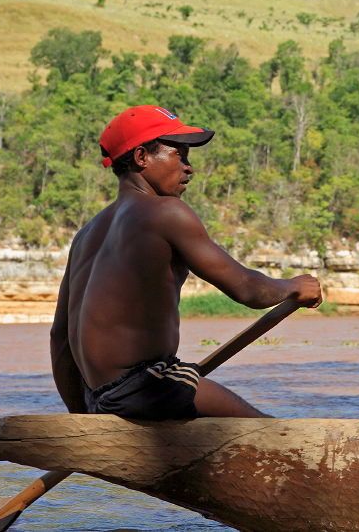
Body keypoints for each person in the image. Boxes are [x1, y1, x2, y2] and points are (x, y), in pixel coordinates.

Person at [50, 105, 322, 420]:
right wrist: (294, 287)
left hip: (97, 398)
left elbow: (60, 336)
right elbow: (247, 289)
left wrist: (83, 416)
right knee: (277, 438)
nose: (189, 168)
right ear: (141, 157)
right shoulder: (166, 212)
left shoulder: (86, 234)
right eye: (179, 155)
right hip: (146, 386)